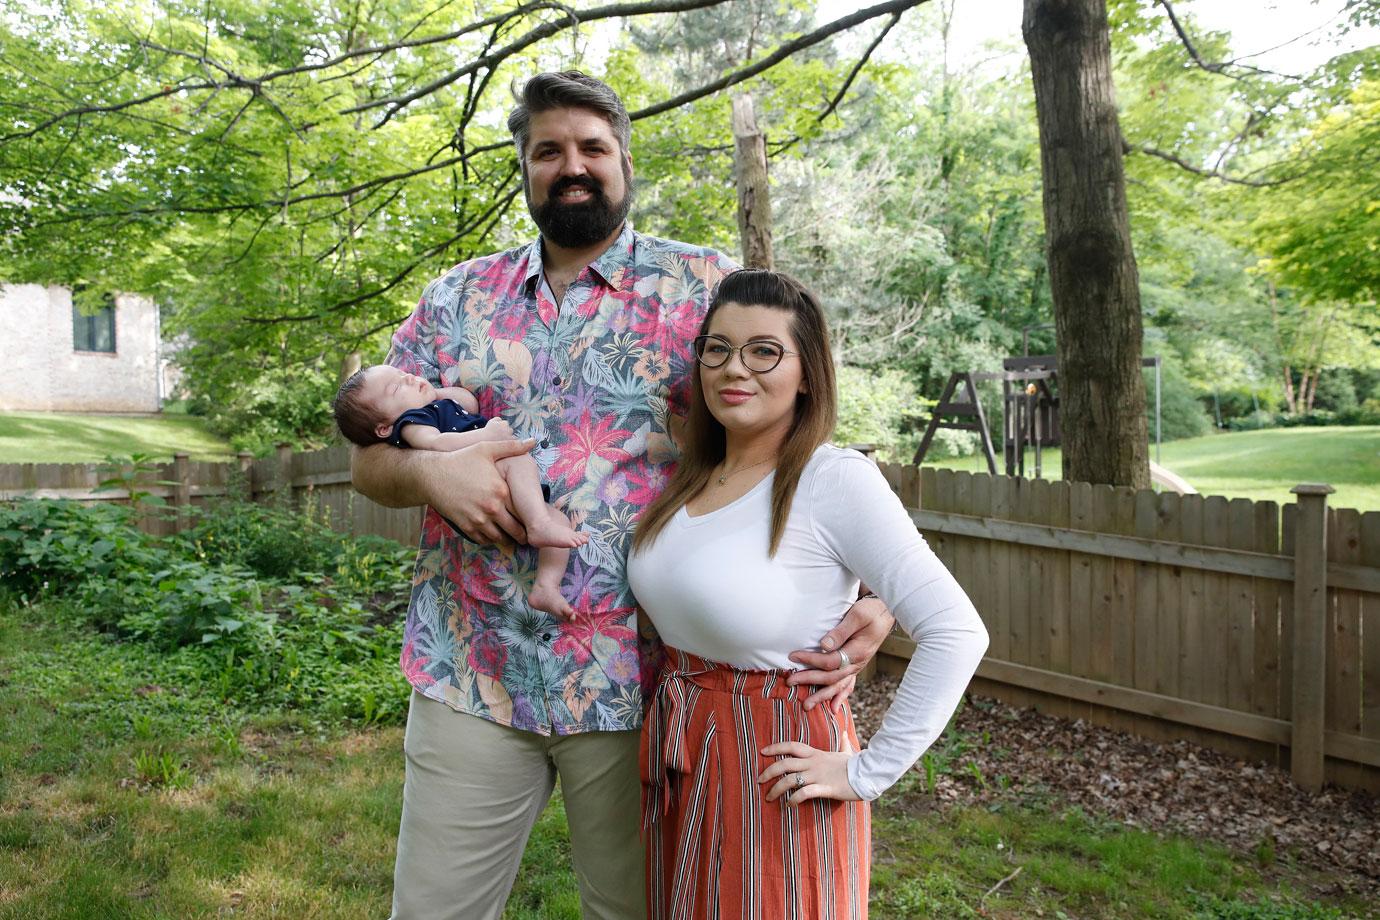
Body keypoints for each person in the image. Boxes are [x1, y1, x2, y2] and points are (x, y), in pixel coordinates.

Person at [348, 71, 897, 920]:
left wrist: (876, 589)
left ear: (625, 161)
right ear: (524, 167)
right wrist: (427, 471)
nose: (573, 166)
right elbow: (367, 464)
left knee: (636, 911)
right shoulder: (456, 299)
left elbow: (802, 439)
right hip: (470, 669)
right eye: (548, 150)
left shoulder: (705, 287)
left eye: (592, 148)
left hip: (640, 683)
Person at [629, 269, 989, 919]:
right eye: (718, 348)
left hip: (775, 763)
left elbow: (957, 631)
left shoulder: (832, 480)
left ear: (808, 373)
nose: (735, 368)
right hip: (686, 744)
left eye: (764, 350)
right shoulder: (697, 476)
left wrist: (863, 773)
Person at [333, 364, 587, 618]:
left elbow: (469, 403)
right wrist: (487, 435)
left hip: (507, 486)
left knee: (560, 521)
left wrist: (434, 391)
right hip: (485, 483)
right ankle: (537, 524)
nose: (409, 377)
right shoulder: (412, 423)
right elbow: (439, 444)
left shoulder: (434, 405)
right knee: (517, 457)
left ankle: (546, 586)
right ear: (384, 428)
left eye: (403, 374)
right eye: (397, 386)